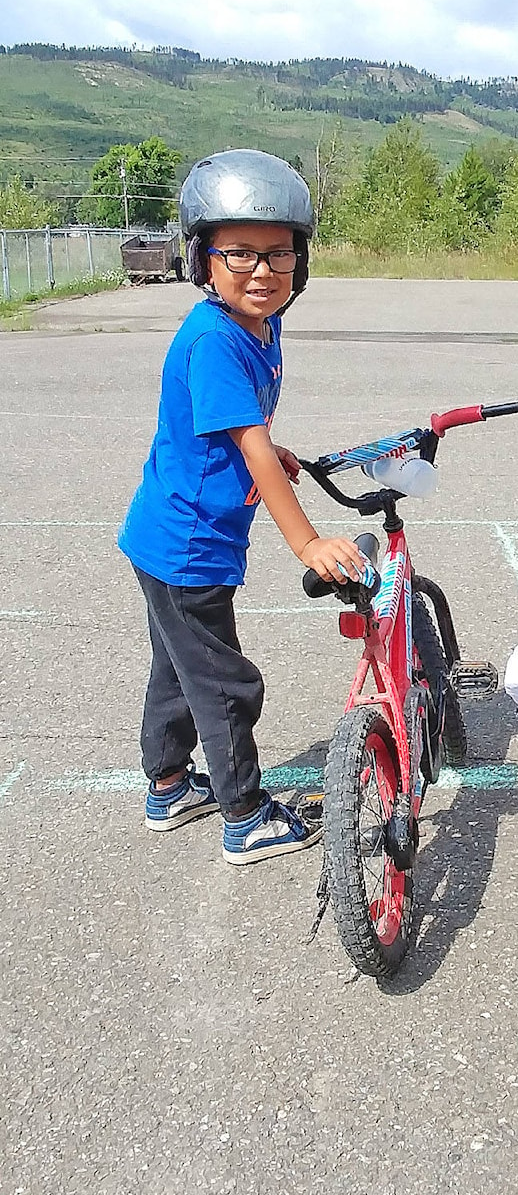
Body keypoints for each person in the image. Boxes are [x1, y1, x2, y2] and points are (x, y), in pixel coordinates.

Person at [119, 148, 365, 866]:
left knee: (178, 667)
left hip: (171, 536)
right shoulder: (215, 340)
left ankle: (168, 786)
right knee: (224, 681)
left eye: (278, 256)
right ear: (203, 260)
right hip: (189, 546)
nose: (262, 272)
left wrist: (271, 450)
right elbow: (249, 445)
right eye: (239, 255)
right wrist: (308, 543)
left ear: (301, 263)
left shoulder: (262, 323)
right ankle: (246, 815)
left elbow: (243, 434)